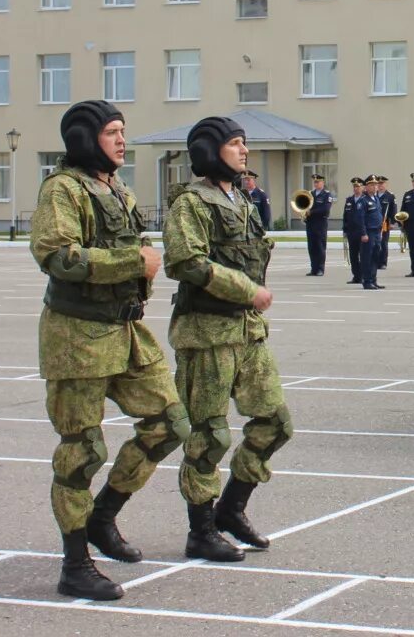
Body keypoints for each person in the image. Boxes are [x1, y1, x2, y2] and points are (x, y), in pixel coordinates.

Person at [30, 99, 186, 601]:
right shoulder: (63, 189)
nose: (121, 140)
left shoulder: (114, 187)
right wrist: (131, 261)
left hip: (124, 331)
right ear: (84, 138)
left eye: (123, 131)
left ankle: (103, 517)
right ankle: (75, 563)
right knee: (81, 451)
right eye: (112, 132)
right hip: (77, 335)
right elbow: (56, 255)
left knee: (171, 423)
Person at [164, 116, 286, 563]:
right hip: (207, 334)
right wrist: (246, 290)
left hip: (248, 331)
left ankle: (232, 509)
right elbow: (185, 261)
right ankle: (200, 529)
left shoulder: (242, 200)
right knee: (208, 435)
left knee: (275, 423)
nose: (244, 150)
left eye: (244, 143)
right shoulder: (191, 203)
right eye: (235, 144)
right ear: (210, 150)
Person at [356, 177, 384, 290]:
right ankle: (367, 281)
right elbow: (360, 219)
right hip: (369, 232)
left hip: (377, 232)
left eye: (376, 185)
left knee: (375, 257)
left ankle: (373, 280)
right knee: (367, 258)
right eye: (372, 185)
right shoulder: (363, 201)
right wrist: (363, 233)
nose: (375, 186)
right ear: (366, 187)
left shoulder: (376, 199)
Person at [341, 177, 365, 285]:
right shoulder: (349, 200)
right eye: (354, 186)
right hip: (351, 232)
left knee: (363, 255)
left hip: (362, 232)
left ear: (362, 187)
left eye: (358, 186)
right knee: (353, 255)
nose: (356, 188)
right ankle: (356, 276)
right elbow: (345, 216)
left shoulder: (365, 199)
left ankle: (364, 276)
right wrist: (345, 229)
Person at [376, 176, 396, 271]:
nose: (380, 186)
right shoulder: (373, 195)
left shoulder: (390, 196)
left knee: (383, 243)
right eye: (379, 184)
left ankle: (383, 262)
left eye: (382, 184)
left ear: (386, 184)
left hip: (385, 222)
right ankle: (375, 262)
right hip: (374, 222)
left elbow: (393, 210)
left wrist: (393, 223)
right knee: (375, 243)